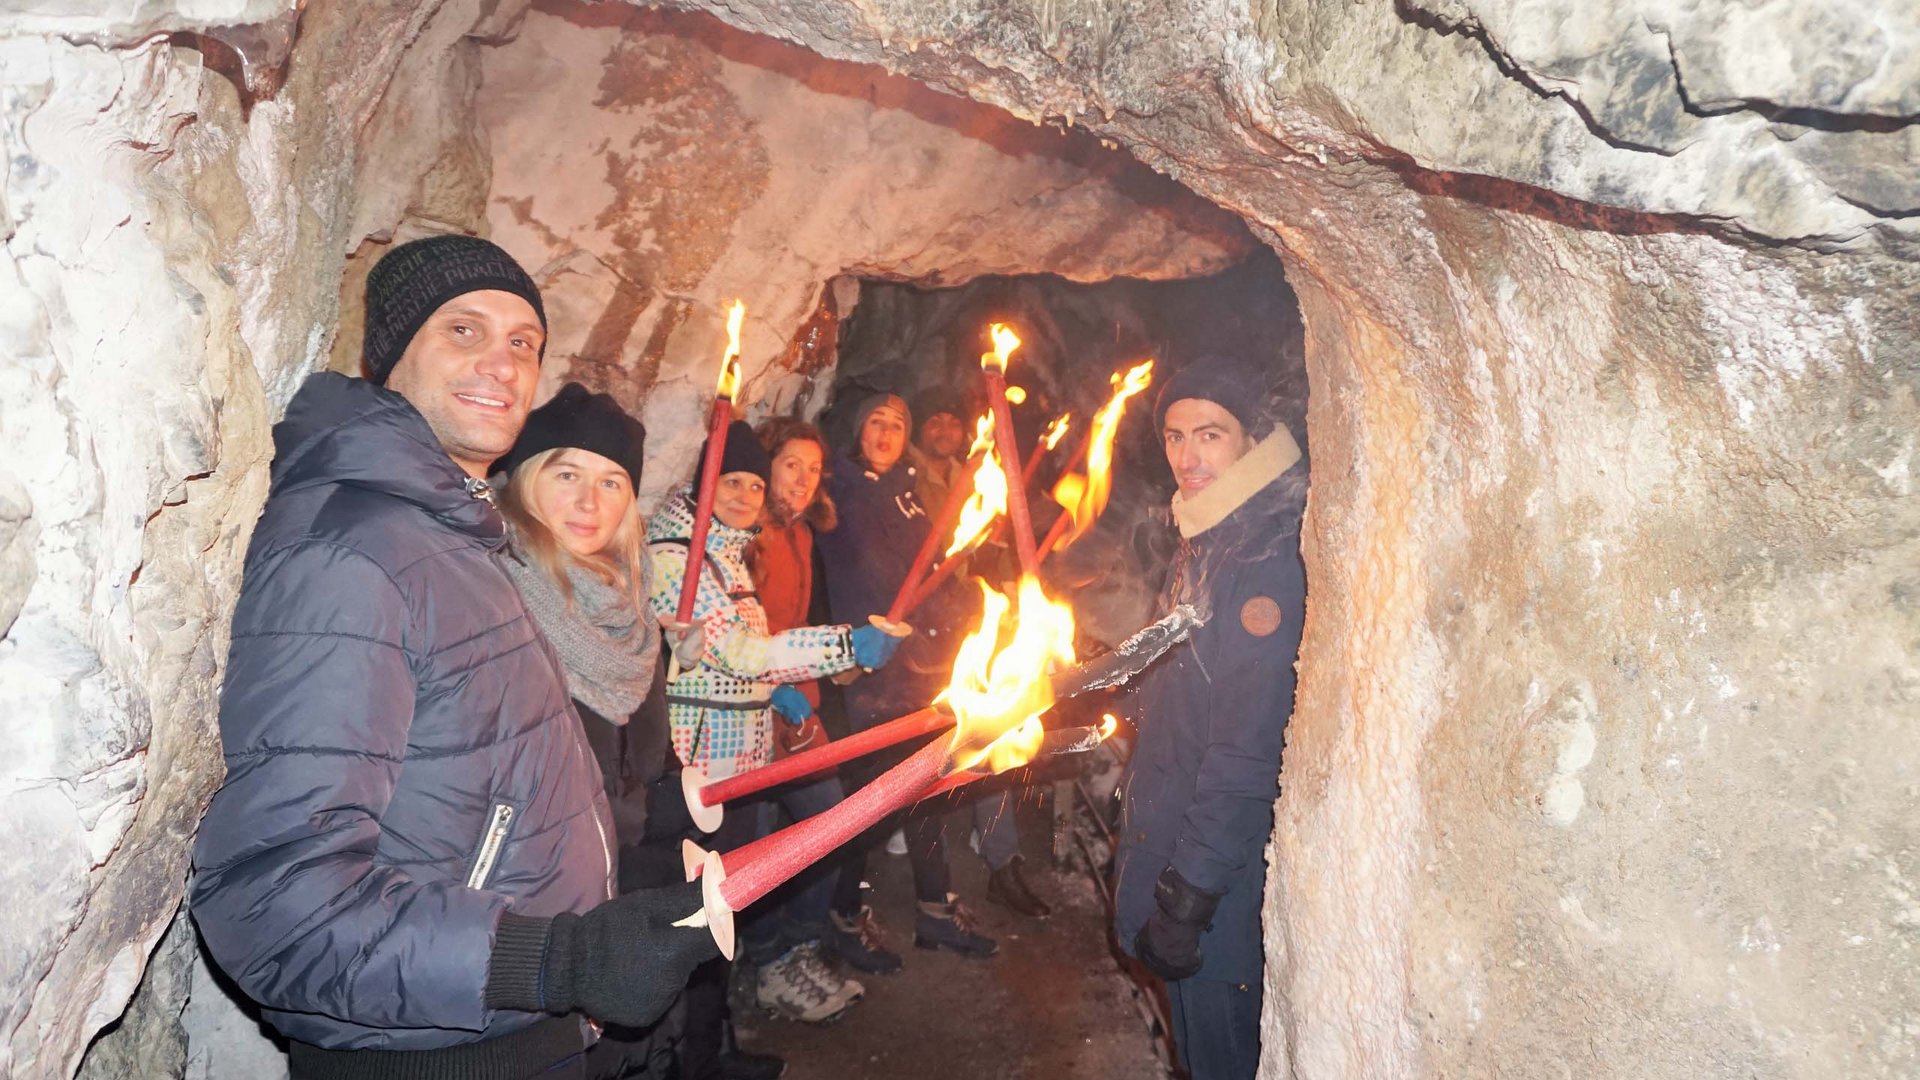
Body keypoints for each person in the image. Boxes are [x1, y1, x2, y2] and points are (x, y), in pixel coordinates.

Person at [189, 235, 716, 1080]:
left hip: (508, 1032)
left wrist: (628, 870)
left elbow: (487, 794)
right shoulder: (352, 554)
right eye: (463, 331)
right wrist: (553, 962)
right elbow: (275, 906)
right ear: (392, 354)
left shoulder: (454, 539)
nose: (501, 365)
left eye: (523, 344)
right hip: (442, 1048)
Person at [646, 421, 902, 1063]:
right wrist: (846, 643)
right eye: (730, 481)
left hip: (740, 755)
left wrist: (777, 690)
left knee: (725, 899)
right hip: (701, 768)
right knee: (700, 909)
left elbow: (741, 655)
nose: (744, 494)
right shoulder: (680, 554)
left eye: (751, 484)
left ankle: (717, 1040)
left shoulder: (729, 549)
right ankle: (698, 1050)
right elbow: (741, 651)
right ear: (701, 482)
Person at [493, 382, 701, 1079]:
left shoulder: (635, 623)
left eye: (612, 482)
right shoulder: (496, 605)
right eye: (567, 474)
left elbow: (635, 781)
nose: (591, 502)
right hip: (540, 938)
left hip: (626, 914)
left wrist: (681, 834)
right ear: (523, 480)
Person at [1112, 354, 1308, 1080]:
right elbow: (1184, 685)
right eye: (1173, 435)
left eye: (1209, 435)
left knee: (1224, 1056)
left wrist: (1186, 900)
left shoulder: (1262, 560)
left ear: (1250, 441)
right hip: (1185, 856)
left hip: (1218, 895)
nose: (1186, 455)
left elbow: (1247, 752)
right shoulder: (1209, 538)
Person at [816, 392, 998, 958]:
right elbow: (856, 581)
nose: (887, 432)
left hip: (917, 668)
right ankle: (843, 920)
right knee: (870, 805)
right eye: (876, 421)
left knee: (925, 792)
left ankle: (935, 909)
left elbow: (931, 577)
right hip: (868, 672)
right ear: (857, 430)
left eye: (897, 424)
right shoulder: (838, 493)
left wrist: (975, 604)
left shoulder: (907, 495)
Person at [745, 418, 906, 977]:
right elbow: (740, 641)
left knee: (827, 827)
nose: (803, 479)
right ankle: (769, 961)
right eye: (792, 464)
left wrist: (836, 666)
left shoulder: (802, 533)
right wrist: (776, 686)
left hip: (800, 707)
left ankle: (799, 946)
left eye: (813, 469)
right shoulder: (749, 535)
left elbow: (798, 619)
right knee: (762, 844)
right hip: (750, 710)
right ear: (766, 464)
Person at [911, 397, 1051, 921]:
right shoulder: (908, 488)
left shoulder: (976, 480)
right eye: (935, 416)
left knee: (991, 741)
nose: (946, 426)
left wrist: (1012, 591)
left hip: (972, 631)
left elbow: (988, 551)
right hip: (923, 641)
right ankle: (932, 895)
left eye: (954, 418)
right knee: (925, 765)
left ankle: (1001, 862)